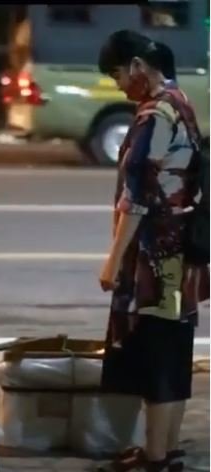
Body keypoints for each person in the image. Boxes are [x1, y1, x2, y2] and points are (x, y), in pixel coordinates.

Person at [97, 30, 209, 472]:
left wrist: (112, 260)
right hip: (180, 250)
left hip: (156, 257)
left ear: (138, 67)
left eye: (117, 74)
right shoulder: (180, 100)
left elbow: (138, 195)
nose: (118, 85)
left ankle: (155, 458)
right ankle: (167, 449)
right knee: (175, 348)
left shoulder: (154, 116)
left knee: (157, 353)